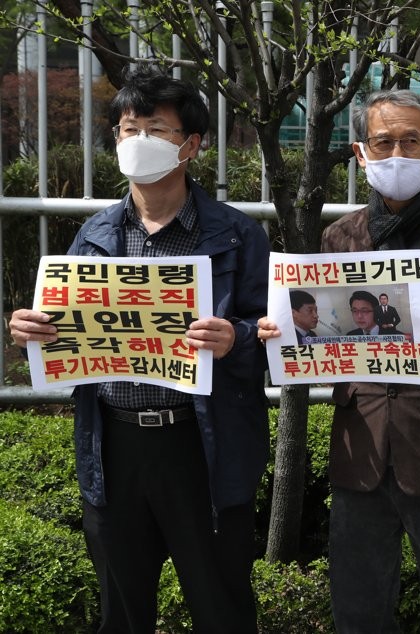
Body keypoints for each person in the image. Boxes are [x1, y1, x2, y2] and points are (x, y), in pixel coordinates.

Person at [9, 66, 269, 633]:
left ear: (192, 146)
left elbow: (274, 339)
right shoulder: (95, 235)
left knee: (221, 606)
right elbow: (65, 336)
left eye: (156, 129)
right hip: (114, 442)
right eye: (129, 129)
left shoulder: (237, 234)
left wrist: (238, 338)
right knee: (122, 612)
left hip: (203, 445)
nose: (138, 141)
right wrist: (35, 333)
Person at [257, 89, 420, 633]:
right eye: (383, 142)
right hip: (361, 452)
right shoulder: (338, 237)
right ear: (360, 154)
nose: (396, 153)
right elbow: (324, 335)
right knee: (357, 606)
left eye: (410, 141)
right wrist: (283, 335)